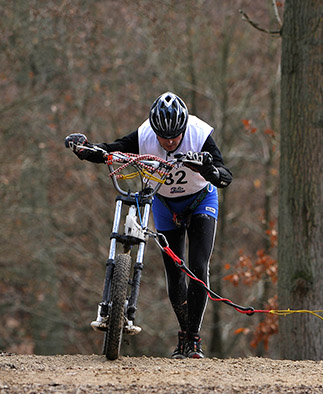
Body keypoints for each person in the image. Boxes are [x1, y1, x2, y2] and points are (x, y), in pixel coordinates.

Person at [65, 92, 232, 359]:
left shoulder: (199, 134)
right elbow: (112, 150)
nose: (168, 142)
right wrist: (85, 150)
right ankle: (183, 335)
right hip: (165, 204)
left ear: (184, 128)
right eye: (162, 137)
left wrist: (208, 170)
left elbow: (225, 176)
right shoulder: (144, 136)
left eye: (174, 137)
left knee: (198, 266)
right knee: (174, 271)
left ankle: (194, 339)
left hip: (201, 200)